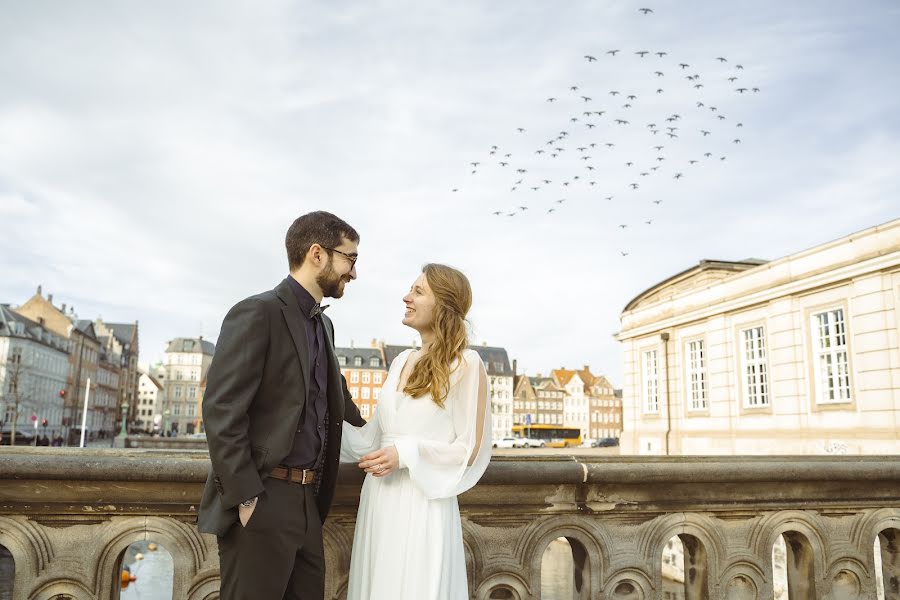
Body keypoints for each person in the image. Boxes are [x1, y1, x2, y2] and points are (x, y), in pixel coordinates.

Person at [198, 211, 367, 600]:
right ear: (317, 254)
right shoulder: (257, 312)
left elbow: (340, 405)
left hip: (309, 502)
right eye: (350, 258)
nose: (354, 273)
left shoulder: (323, 326)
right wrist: (245, 497)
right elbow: (222, 410)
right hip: (263, 500)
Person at [341, 263, 491, 600]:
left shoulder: (467, 364)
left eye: (418, 291)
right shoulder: (400, 361)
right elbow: (371, 439)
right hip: (380, 499)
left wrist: (406, 453)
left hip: (424, 502)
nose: (406, 297)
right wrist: (312, 426)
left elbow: (469, 449)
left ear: (444, 304)